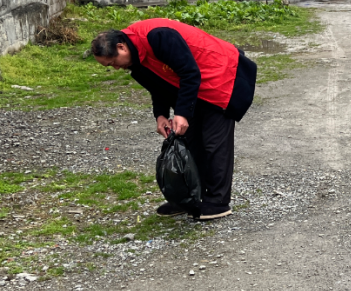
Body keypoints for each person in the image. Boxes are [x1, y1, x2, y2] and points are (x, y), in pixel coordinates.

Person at [91, 18, 256, 220]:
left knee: (213, 144)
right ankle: (190, 198)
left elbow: (189, 72)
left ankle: (217, 202)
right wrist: (160, 115)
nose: (115, 68)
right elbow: (157, 85)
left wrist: (182, 113)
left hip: (220, 76)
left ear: (121, 46)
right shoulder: (135, 60)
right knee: (190, 141)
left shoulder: (158, 36)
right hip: (194, 88)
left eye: (113, 62)